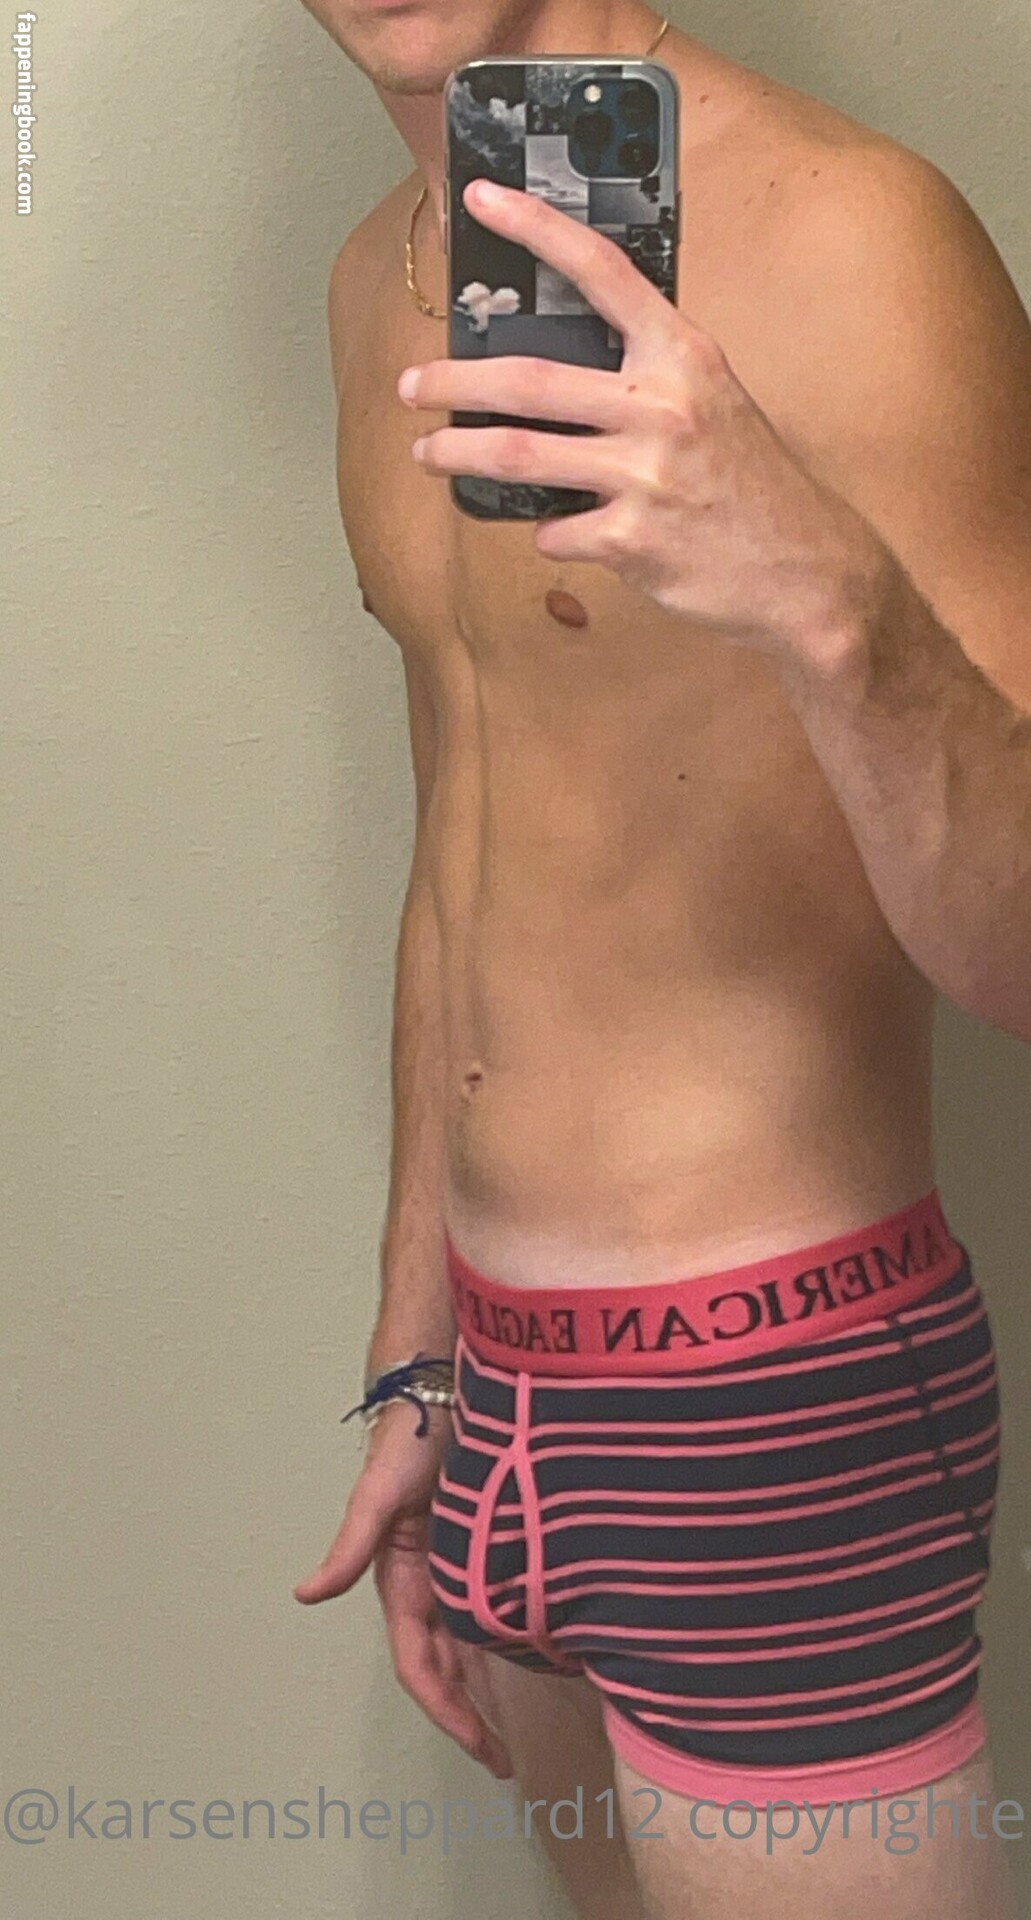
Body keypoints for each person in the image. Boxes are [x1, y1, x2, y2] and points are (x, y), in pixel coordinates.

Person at [293, 3, 1031, 1913]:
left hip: (770, 1399)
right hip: (500, 1396)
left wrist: (820, 586)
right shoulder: (380, 276)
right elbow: (463, 831)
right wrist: (417, 1350)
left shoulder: (852, 233)